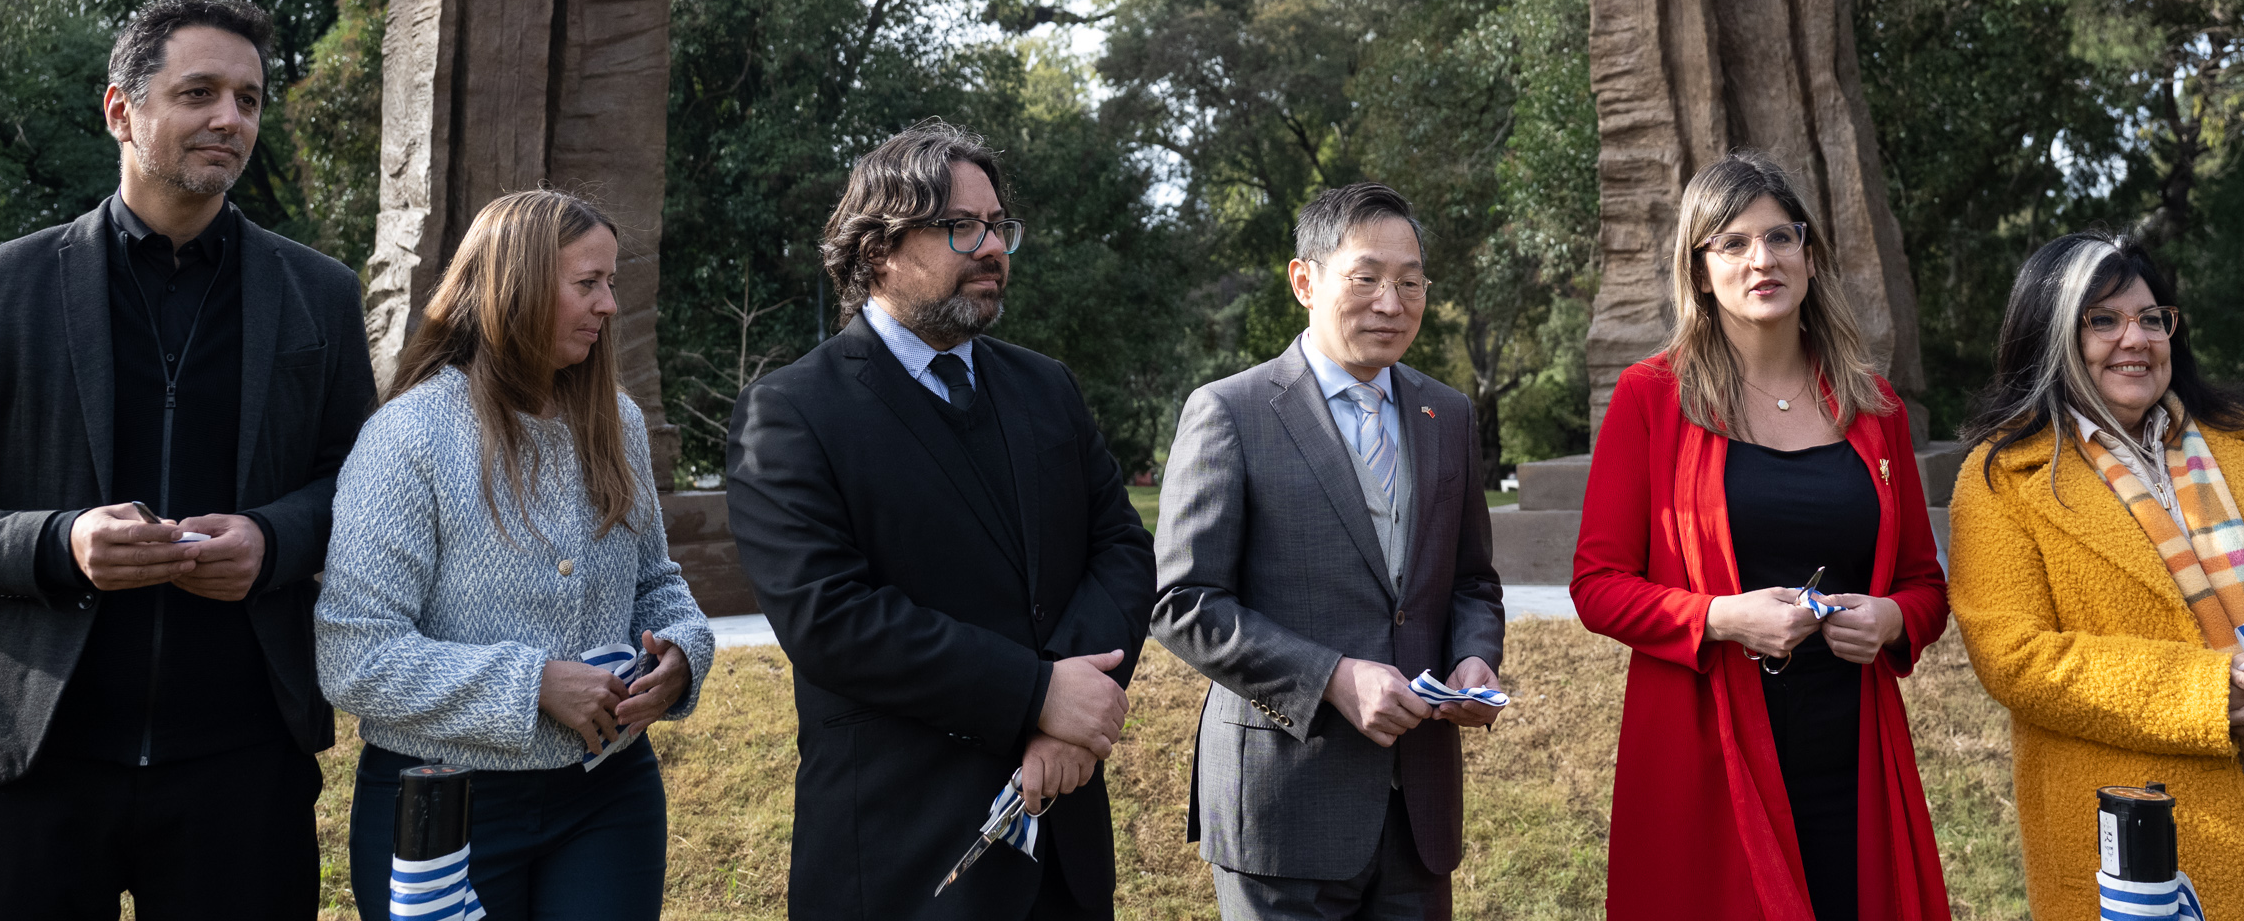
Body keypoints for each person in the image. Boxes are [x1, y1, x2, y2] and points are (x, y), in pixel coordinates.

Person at [0, 0, 379, 920]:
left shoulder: (320, 294)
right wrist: (62, 543)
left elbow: (364, 494)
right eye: (199, 93)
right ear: (121, 111)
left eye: (249, 99)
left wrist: (274, 538)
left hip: (243, 764)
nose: (230, 118)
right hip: (29, 761)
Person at [724, 120, 1156, 920]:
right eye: (962, 227)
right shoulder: (790, 413)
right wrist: (1035, 694)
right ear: (880, 248)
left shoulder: (1046, 389)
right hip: (903, 861)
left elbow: (1123, 548)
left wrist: (1070, 715)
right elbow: (831, 620)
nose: (992, 248)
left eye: (999, 227)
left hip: (1062, 850)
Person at [1948, 233, 2244, 921]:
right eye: (2102, 321)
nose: (2134, 339)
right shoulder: (2001, 480)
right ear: (2049, 335)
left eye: (2151, 317)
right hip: (2152, 853)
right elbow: (2016, 657)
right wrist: (2210, 692)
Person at [1570, 151, 1951, 921]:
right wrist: (1720, 617)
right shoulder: (1651, 398)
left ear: (1809, 258)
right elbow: (1597, 586)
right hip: (1706, 741)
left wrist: (1892, 620)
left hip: (1851, 744)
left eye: (1781, 238)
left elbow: (1923, 584)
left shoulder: (1875, 409)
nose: (1761, 260)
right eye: (1733, 243)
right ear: (1700, 269)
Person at [318, 189, 713, 920]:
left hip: (610, 798)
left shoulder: (617, 423)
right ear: (518, 285)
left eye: (612, 282)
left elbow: (657, 582)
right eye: (587, 283)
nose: (609, 305)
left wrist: (682, 655)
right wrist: (530, 682)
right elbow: (355, 657)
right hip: (442, 801)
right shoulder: (408, 438)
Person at [1152, 181, 1506, 921]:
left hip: (1419, 816)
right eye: (1367, 277)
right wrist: (1333, 679)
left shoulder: (1449, 414)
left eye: (1410, 282)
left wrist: (1477, 658)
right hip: (1282, 812)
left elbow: (1471, 581)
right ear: (1304, 281)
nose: (1392, 301)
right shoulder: (1230, 412)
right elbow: (1184, 605)